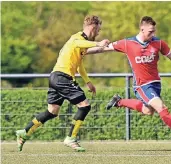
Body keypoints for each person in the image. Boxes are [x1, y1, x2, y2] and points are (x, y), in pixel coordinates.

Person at [87, 16, 171, 143]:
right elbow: (103, 48)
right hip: (142, 85)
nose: (153, 34)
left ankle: (119, 101)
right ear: (142, 29)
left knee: (147, 111)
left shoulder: (158, 43)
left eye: (154, 31)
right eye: (150, 31)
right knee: (161, 107)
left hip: (156, 84)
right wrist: (84, 51)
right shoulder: (127, 43)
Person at [16, 15, 110, 152]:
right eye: (98, 30)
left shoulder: (81, 43)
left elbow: (79, 65)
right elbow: (78, 43)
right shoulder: (77, 38)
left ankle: (24, 132)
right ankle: (71, 138)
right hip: (62, 77)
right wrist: (98, 43)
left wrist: (88, 82)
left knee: (52, 111)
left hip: (55, 77)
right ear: (93, 27)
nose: (99, 33)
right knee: (85, 106)